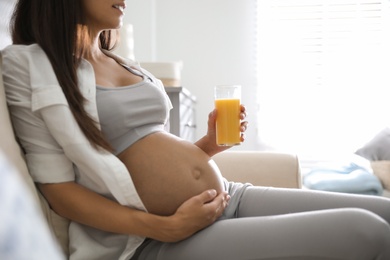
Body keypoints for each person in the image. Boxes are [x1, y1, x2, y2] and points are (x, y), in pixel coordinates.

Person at [2, 0, 390, 259]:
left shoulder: (121, 61)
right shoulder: (28, 64)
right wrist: (164, 227)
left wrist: (206, 146)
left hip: (225, 196)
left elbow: (144, 151)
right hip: (155, 238)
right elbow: (59, 192)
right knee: (366, 230)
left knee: (384, 213)